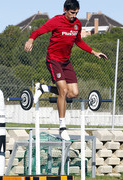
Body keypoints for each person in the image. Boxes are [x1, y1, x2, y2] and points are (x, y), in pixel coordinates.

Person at [24, 0, 108, 140]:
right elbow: (38, 31)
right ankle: (62, 127)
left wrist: (94, 52)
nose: (74, 15)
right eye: (72, 12)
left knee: (73, 93)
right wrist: (30, 40)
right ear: (65, 9)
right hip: (53, 60)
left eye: (76, 13)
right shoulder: (56, 21)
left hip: (66, 62)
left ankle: (44, 88)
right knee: (63, 91)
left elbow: (79, 41)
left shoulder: (77, 24)